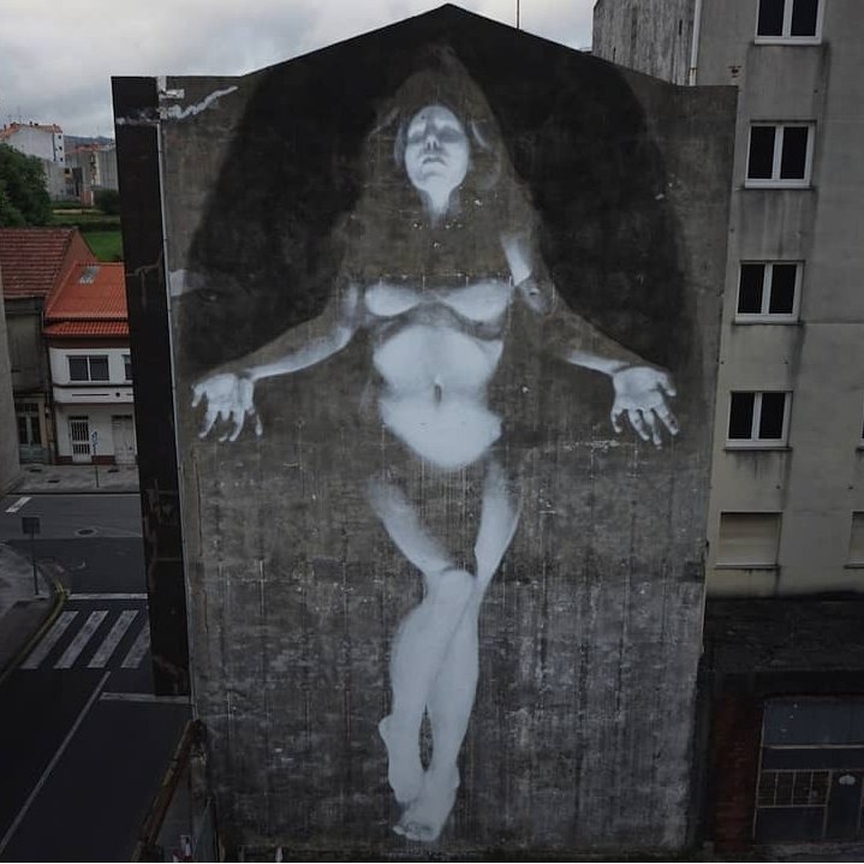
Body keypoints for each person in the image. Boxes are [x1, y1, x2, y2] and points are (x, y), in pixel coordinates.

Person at [191, 72, 678, 842]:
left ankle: (442, 769)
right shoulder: (370, 241)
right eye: (416, 131)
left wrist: (621, 366)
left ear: (476, 148)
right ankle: (402, 727)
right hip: (392, 455)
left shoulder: (507, 237)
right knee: (449, 586)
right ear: (396, 151)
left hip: (488, 458)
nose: (429, 142)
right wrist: (247, 371)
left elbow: (553, 324)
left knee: (466, 610)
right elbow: (330, 331)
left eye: (446, 130)